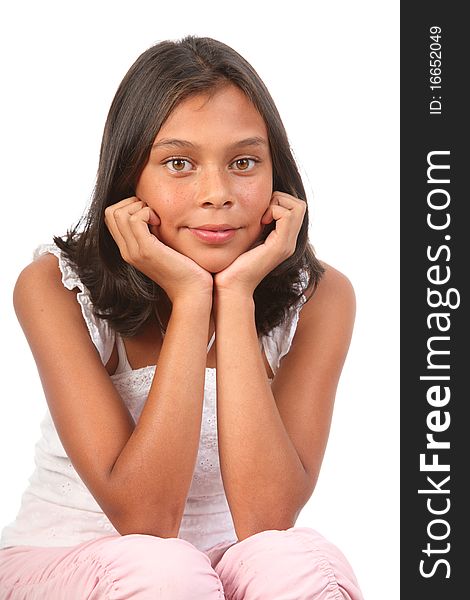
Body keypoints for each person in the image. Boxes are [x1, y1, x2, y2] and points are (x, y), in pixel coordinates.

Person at [0, 35, 363, 599]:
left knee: (299, 562)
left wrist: (235, 295)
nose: (217, 193)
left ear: (276, 176)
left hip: (219, 573)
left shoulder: (322, 297)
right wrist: (193, 299)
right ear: (129, 182)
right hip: (73, 567)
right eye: (179, 164)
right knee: (162, 572)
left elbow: (267, 519)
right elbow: (146, 520)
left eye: (244, 162)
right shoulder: (53, 286)